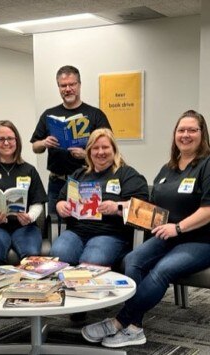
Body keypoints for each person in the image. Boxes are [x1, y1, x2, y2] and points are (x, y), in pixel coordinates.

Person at [81, 110, 210, 348]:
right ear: (175, 135)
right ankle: (136, 327)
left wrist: (178, 228)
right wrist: (120, 207)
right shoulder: (167, 169)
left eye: (192, 130)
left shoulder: (206, 165)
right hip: (166, 235)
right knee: (133, 259)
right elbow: (150, 208)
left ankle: (121, 321)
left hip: (200, 240)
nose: (186, 135)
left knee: (162, 270)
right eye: (181, 130)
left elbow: (208, 210)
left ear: (203, 135)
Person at [50, 128, 147, 267]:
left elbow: (142, 206)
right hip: (76, 232)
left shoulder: (126, 174)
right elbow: (61, 199)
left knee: (92, 262)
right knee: (58, 255)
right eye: (95, 148)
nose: (100, 152)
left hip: (110, 234)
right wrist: (61, 207)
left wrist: (117, 207)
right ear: (89, 152)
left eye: (105, 147)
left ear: (114, 149)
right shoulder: (79, 174)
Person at [0, 120, 47, 267]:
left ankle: (25, 290)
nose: (6, 143)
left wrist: (29, 217)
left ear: (16, 140)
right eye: (1, 139)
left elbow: (38, 203)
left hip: (25, 227)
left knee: (30, 257)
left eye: (10, 138)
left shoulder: (29, 170)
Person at [31, 65, 111, 202]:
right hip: (57, 182)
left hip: (87, 180)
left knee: (85, 221)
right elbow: (35, 147)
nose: (68, 89)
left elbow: (111, 150)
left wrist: (86, 155)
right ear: (59, 88)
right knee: (56, 221)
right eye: (63, 86)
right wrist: (44, 143)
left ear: (79, 85)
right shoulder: (49, 115)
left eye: (72, 84)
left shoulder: (95, 115)